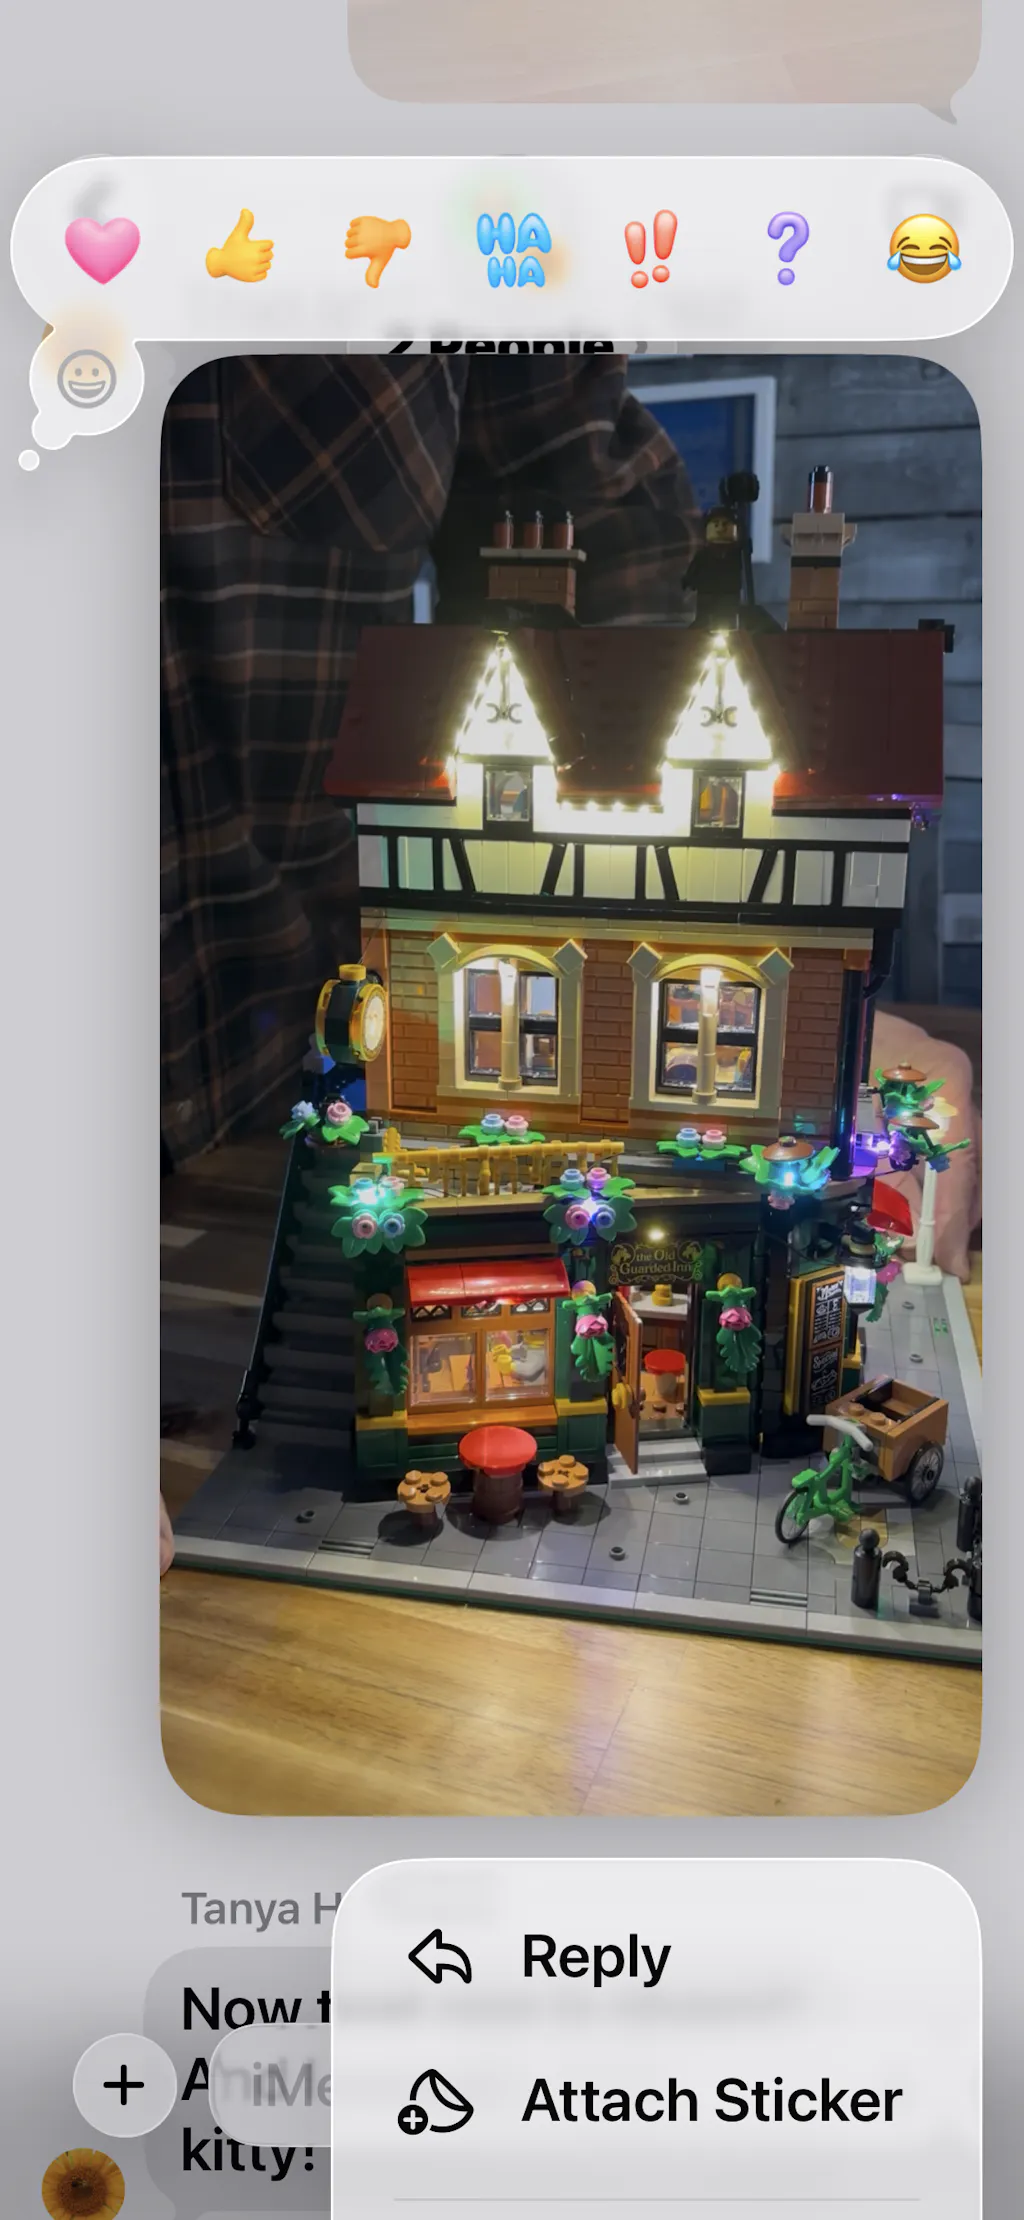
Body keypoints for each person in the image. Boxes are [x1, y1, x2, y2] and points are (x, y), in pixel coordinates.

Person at [160, 354, 700, 1168]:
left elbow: (584, 494)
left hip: (310, 1091)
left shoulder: (455, 275)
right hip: (342, 1081)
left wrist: (663, 853)